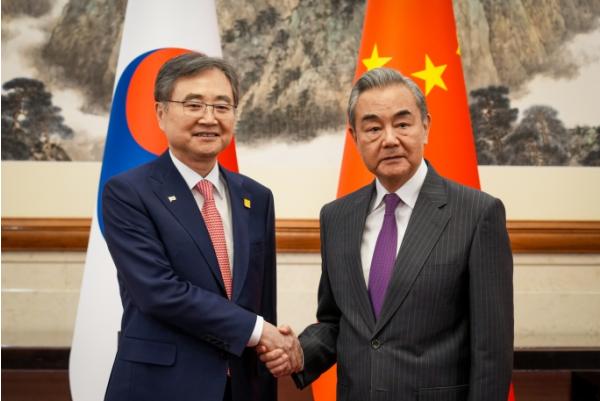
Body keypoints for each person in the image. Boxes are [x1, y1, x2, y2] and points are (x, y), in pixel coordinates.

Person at [261, 67, 514, 401]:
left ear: (426, 126)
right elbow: (337, 321)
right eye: (373, 128)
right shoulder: (337, 217)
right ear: (355, 137)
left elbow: (492, 352)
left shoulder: (477, 214)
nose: (390, 139)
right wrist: (300, 351)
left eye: (403, 124)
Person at [102, 52, 295, 401]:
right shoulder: (128, 193)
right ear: (161, 113)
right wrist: (259, 331)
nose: (209, 118)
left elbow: (262, 300)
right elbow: (159, 292)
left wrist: (272, 350)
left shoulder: (256, 197)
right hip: (161, 387)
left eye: (222, 106)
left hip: (242, 387)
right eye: (193, 105)